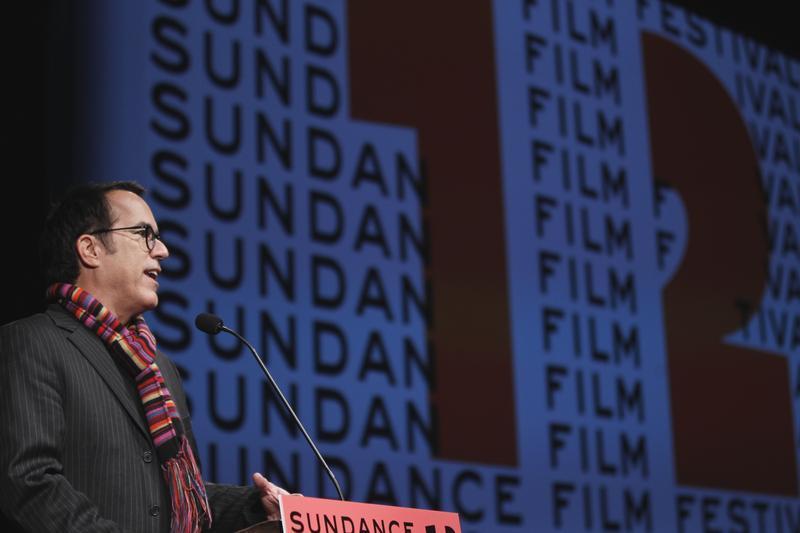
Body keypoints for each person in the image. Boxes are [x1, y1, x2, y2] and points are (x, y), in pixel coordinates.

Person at [0, 181, 287, 532]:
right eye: (144, 234)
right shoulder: (33, 342)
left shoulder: (158, 367)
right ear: (90, 249)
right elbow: (27, 481)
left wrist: (255, 508)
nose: (162, 250)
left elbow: (180, 496)